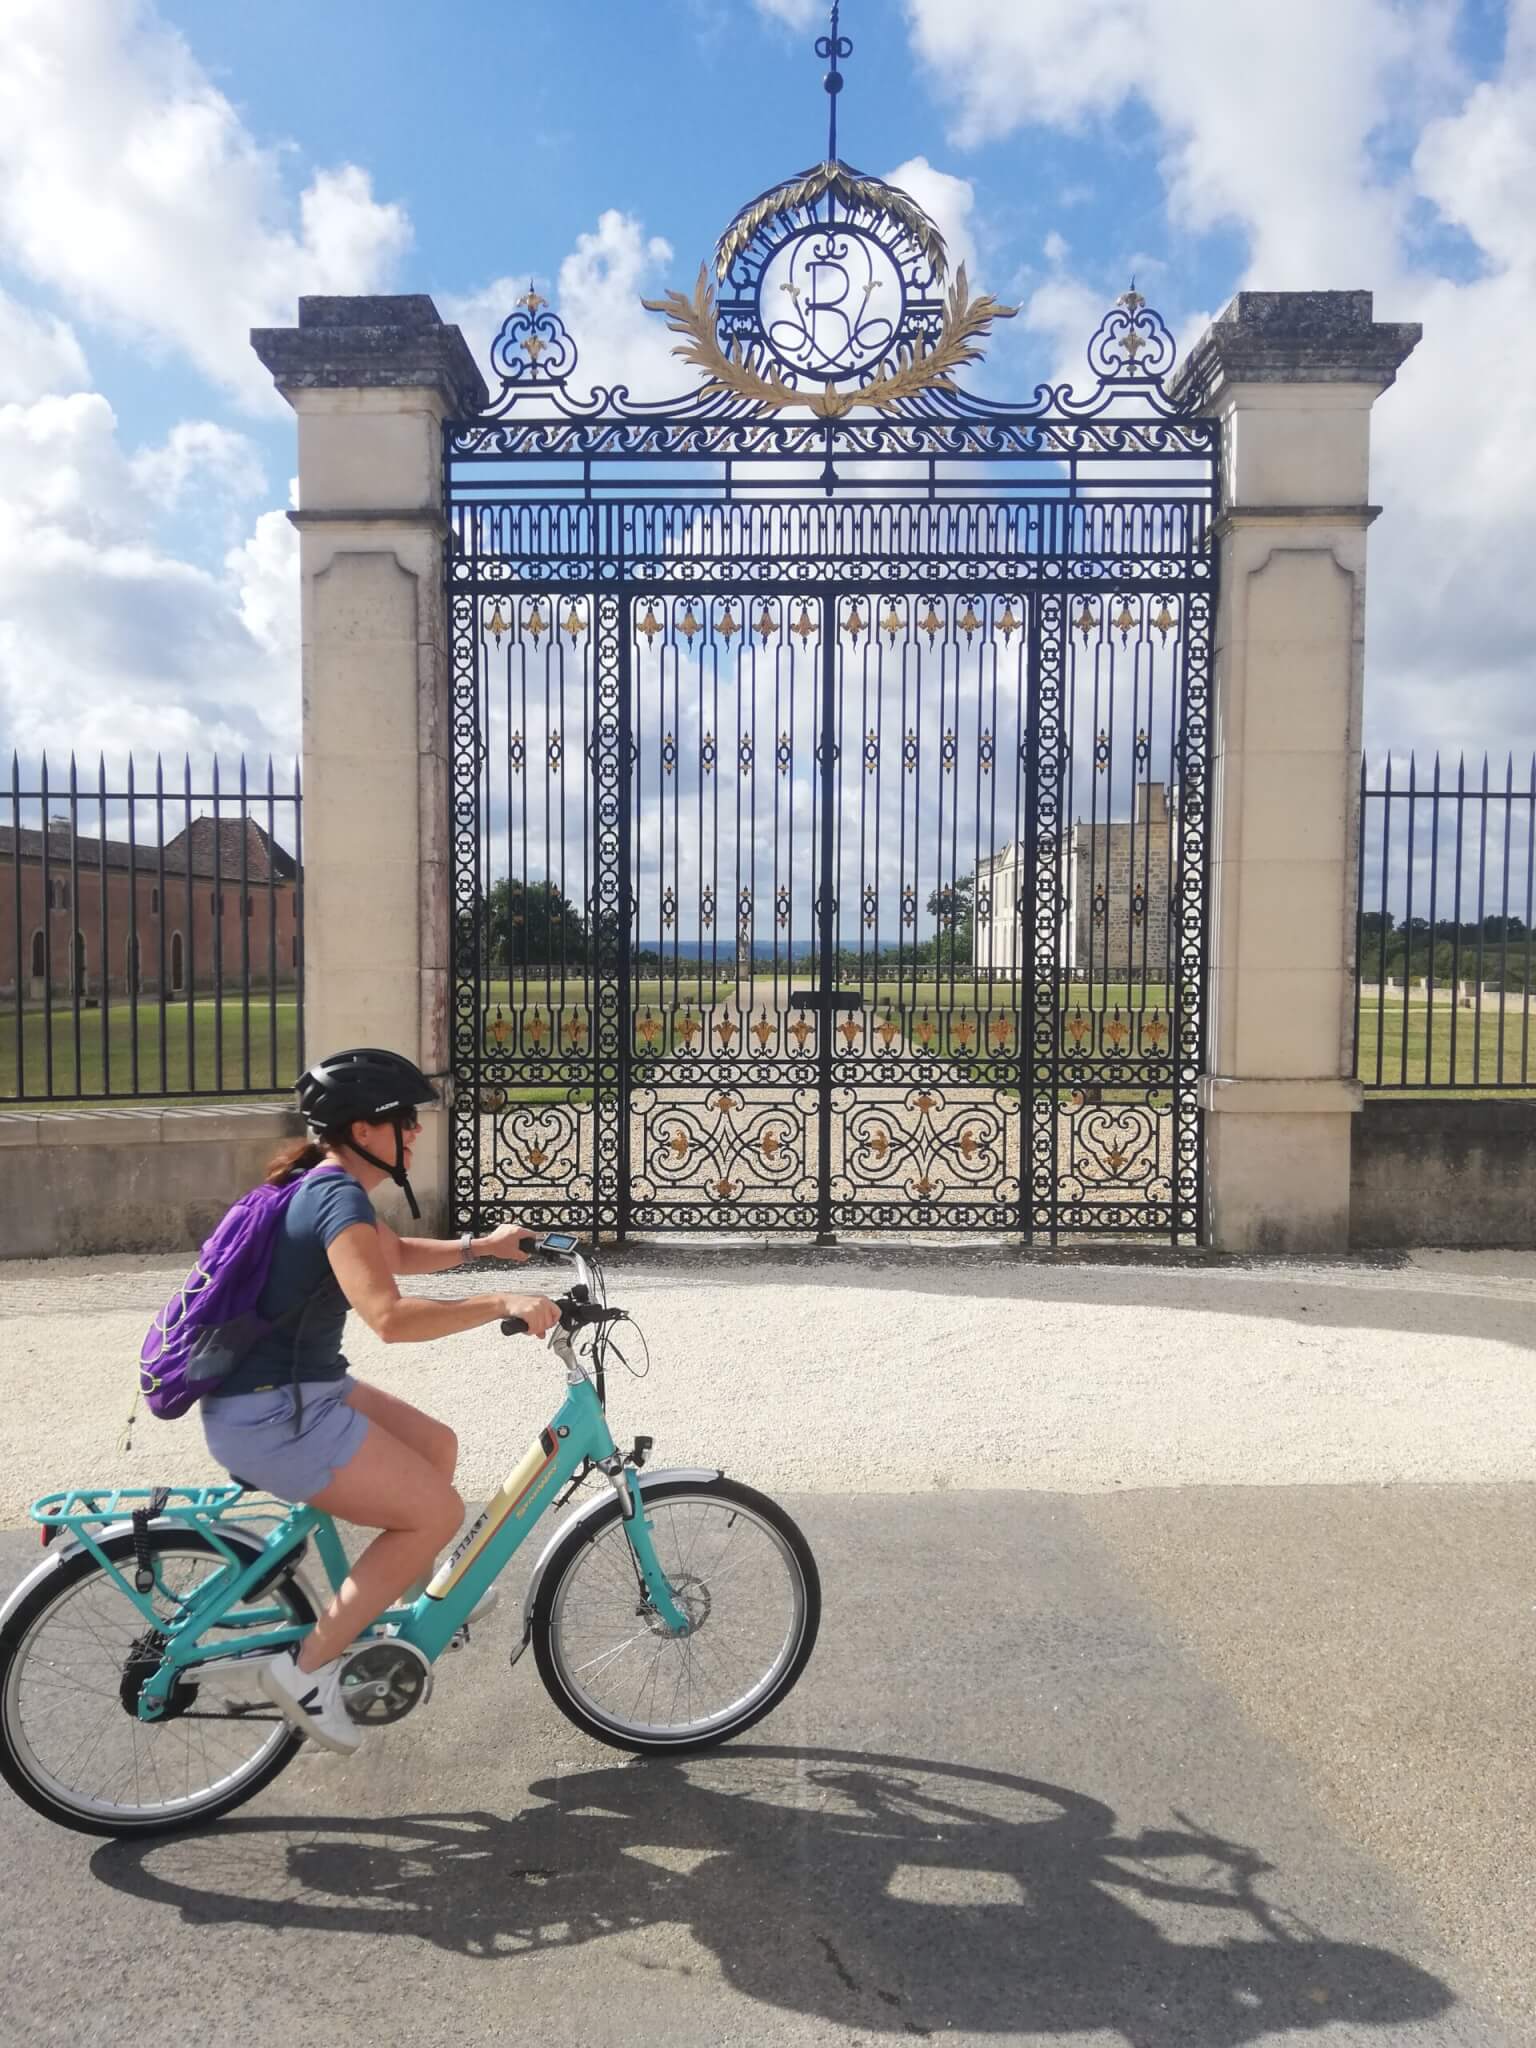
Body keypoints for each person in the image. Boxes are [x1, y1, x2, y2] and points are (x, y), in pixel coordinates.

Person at [199, 1046, 561, 1755]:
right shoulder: (333, 1193)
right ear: (364, 1130)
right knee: (437, 1514)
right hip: (274, 1413)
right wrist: (498, 1301)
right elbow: (387, 1316)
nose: (417, 1132)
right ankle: (303, 1672)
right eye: (405, 1120)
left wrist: (480, 1246)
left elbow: (387, 1252)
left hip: (298, 1392)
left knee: (436, 1448)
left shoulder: (327, 1186)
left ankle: (405, 1609)